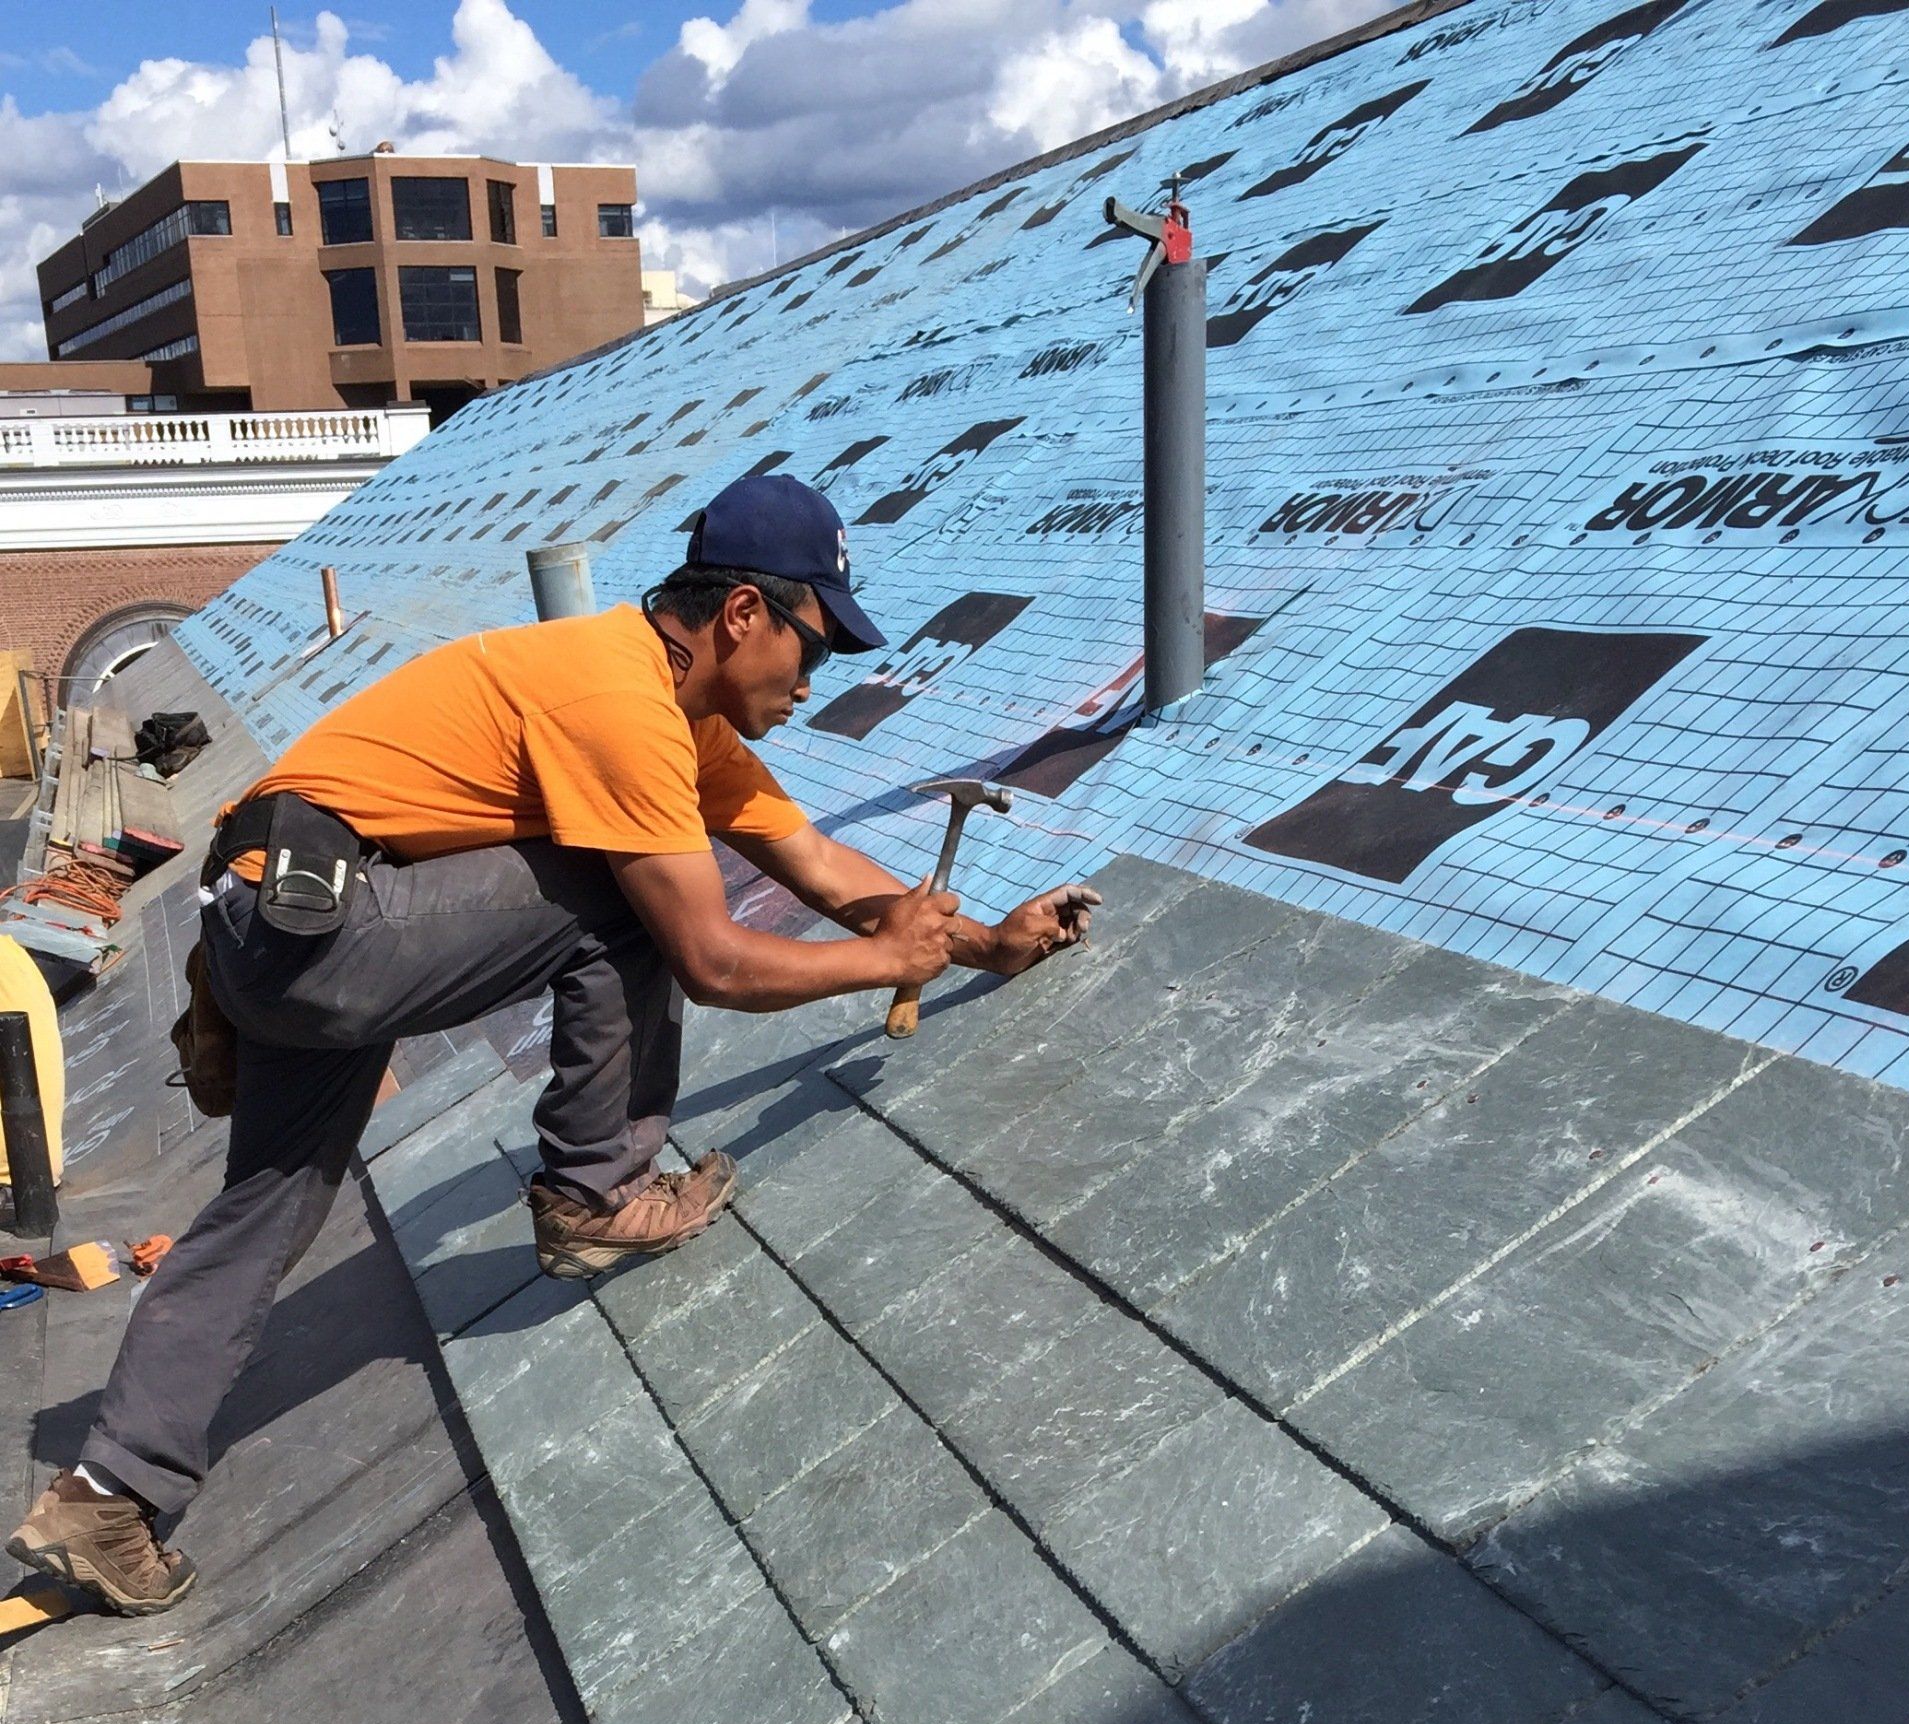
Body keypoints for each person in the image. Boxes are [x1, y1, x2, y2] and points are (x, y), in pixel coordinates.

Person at [8, 475, 1095, 1617]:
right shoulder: (618, 700)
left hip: (280, 921)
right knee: (628, 896)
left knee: (266, 1209)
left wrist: (981, 947)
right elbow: (714, 963)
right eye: (810, 643)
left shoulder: (689, 727)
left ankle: (107, 1493)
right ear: (741, 616)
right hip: (325, 931)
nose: (813, 682)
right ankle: (598, 1190)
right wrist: (887, 966)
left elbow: (825, 870)